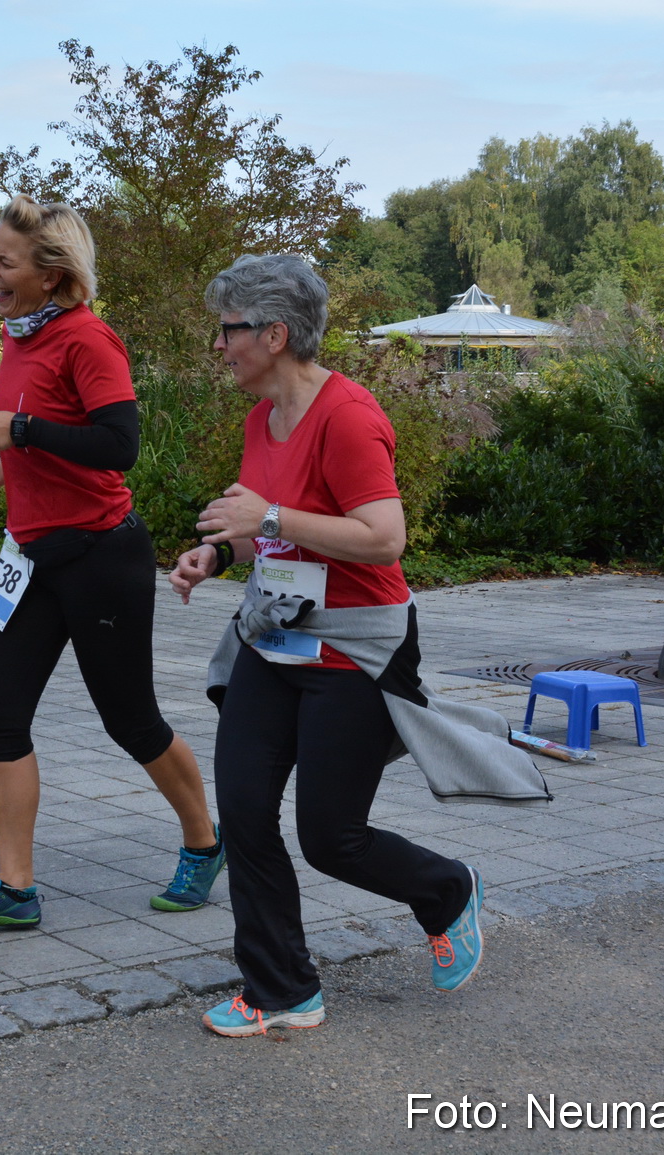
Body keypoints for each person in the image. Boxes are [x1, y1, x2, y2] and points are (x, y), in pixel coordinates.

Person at [171, 254, 515, 1037]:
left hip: (356, 649)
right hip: (277, 637)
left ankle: (447, 890)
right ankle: (282, 987)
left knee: (330, 836)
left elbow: (382, 538)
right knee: (247, 810)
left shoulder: (349, 416)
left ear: (275, 333)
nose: (219, 345)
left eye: (228, 330)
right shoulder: (264, 418)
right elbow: (264, 525)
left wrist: (267, 522)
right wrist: (219, 554)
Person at [0, 195, 224, 928]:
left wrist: (20, 430)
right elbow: (53, 441)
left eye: (4, 260)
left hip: (101, 555)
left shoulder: (89, 340)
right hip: (29, 557)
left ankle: (204, 840)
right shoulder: (20, 338)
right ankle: (16, 889)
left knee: (130, 719)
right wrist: (8, 465)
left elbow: (118, 444)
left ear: (52, 275)